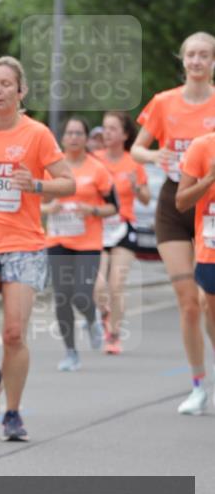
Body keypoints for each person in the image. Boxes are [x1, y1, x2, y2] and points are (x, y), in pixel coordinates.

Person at [0, 57, 75, 441]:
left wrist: (35, 186)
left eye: (6, 84)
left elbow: (67, 183)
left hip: (23, 243)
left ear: (21, 92)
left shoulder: (36, 134)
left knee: (15, 334)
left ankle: (13, 413)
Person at [131, 31, 215, 414]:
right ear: (182, 61)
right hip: (174, 203)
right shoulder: (165, 103)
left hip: (210, 206)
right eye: (191, 55)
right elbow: (137, 148)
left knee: (208, 300)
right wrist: (156, 157)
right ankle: (198, 385)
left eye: (204, 55)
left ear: (213, 62)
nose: (197, 61)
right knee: (188, 302)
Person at [43, 118, 117, 371]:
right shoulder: (50, 167)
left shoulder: (98, 170)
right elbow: (32, 201)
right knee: (62, 296)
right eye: (69, 133)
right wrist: (47, 208)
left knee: (82, 293)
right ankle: (71, 352)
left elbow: (113, 206)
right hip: (57, 238)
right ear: (62, 138)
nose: (74, 137)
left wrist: (92, 209)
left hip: (88, 242)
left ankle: (92, 318)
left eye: (79, 133)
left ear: (86, 139)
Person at [93, 111, 150, 354]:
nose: (107, 133)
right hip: (97, 227)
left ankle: (114, 335)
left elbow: (146, 199)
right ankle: (105, 312)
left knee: (117, 284)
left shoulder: (133, 162)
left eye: (113, 129)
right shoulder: (94, 159)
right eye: (105, 128)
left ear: (125, 134)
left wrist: (137, 187)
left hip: (124, 227)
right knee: (97, 286)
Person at [176, 131, 215, 413]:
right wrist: (209, 179)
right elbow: (181, 201)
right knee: (211, 312)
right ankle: (200, 386)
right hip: (211, 250)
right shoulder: (202, 146)